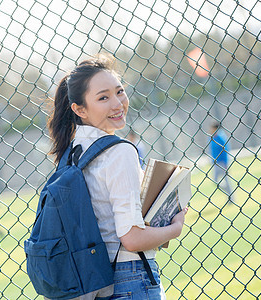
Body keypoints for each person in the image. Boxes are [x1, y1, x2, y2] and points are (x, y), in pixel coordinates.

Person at [47, 53, 188, 300]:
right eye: (103, 97)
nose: (117, 103)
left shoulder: (71, 153)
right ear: (79, 109)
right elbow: (131, 238)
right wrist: (174, 229)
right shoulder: (119, 151)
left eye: (120, 91)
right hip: (129, 278)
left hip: (94, 281)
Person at [209, 122, 234, 204]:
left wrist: (226, 163)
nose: (210, 130)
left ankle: (231, 198)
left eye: (212, 128)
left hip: (222, 163)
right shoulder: (212, 137)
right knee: (215, 181)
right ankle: (228, 192)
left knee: (227, 180)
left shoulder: (221, 137)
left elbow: (225, 151)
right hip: (215, 163)